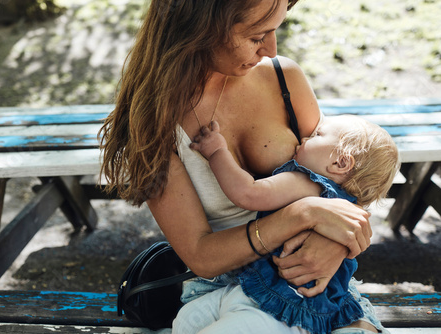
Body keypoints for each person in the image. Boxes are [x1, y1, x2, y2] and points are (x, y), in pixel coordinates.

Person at [99, 0, 387, 332]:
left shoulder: (284, 78)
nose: (270, 48)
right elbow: (201, 255)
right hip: (220, 291)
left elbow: (347, 181)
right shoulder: (152, 124)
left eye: (275, 29)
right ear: (199, 26)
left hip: (320, 294)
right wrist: (302, 214)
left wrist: (336, 243)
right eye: (256, 36)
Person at [189, 115, 400, 333]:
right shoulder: (345, 205)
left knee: (190, 322)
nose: (305, 137)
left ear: (341, 162)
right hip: (311, 306)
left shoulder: (306, 182)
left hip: (276, 302)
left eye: (318, 135)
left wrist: (216, 152)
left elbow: (247, 193)